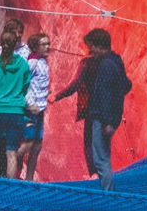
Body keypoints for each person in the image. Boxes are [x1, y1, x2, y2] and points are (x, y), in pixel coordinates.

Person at [54, 28, 132, 190]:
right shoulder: (116, 60)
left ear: (98, 46)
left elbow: (102, 93)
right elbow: (126, 85)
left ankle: (107, 194)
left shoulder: (103, 65)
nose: (90, 50)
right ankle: (105, 188)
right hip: (108, 116)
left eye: (91, 47)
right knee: (102, 155)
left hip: (100, 116)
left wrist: (107, 121)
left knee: (99, 158)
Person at [0, 31, 32, 178]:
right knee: (11, 152)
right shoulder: (23, 64)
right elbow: (25, 86)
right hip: (16, 111)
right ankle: (11, 184)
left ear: (1, 43)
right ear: (16, 44)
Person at [19, 33, 51, 180]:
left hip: (40, 109)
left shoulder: (43, 62)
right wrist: (30, 103)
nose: (47, 47)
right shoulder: (32, 62)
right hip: (30, 110)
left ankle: (29, 178)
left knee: (37, 145)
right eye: (43, 44)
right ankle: (8, 162)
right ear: (35, 47)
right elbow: (22, 84)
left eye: (48, 44)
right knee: (28, 143)